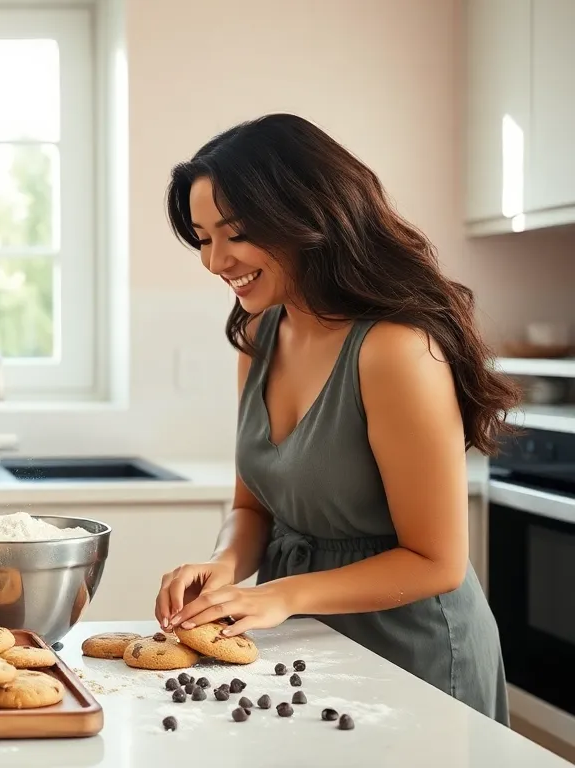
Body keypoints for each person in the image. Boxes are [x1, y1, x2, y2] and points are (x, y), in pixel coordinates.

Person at [154, 113, 519, 722]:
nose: (216, 261)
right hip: (305, 642)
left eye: (236, 233)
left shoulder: (396, 350)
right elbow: (253, 509)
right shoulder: (260, 336)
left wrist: (280, 594)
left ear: (307, 217)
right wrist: (223, 566)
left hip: (415, 656)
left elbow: (437, 560)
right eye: (202, 238)